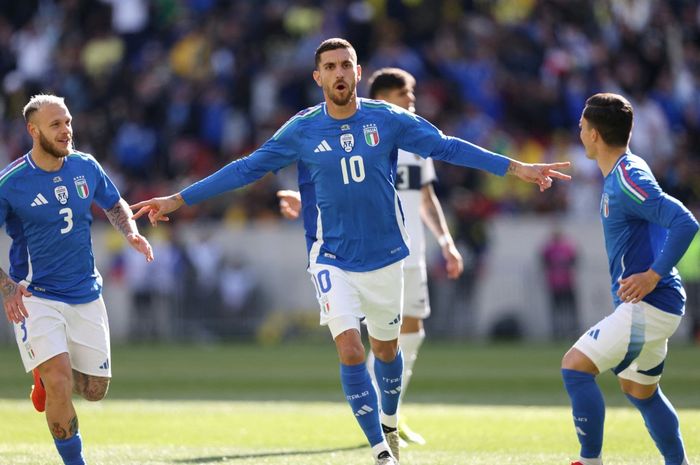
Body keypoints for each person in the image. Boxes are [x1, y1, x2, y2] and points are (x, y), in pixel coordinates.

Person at [131, 38, 570, 465]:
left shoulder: (388, 119)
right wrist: (178, 199)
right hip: (330, 258)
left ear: (358, 73)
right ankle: (380, 451)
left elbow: (447, 147)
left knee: (386, 353)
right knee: (350, 350)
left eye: (347, 65)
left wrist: (517, 168)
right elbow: (247, 168)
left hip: (384, 258)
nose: (340, 73)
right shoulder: (302, 128)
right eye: (331, 67)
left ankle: (391, 420)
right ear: (317, 76)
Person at [276, 67, 464, 447]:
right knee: (369, 341)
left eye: (411, 98)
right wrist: (305, 199)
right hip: (369, 252)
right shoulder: (371, 133)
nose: (410, 104)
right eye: (403, 98)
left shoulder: (417, 142)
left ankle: (391, 410)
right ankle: (380, 414)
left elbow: (426, 199)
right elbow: (342, 184)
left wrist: (445, 240)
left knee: (409, 334)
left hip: (410, 251)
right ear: (382, 99)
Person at [1, 94, 154, 465]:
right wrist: (7, 287)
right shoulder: (11, 182)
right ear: (33, 130)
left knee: (94, 390)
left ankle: (42, 377)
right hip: (35, 295)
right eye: (56, 124)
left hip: (85, 293)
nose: (66, 130)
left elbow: (114, 203)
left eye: (68, 122)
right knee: (59, 381)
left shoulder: (85, 166)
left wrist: (130, 232)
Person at [562, 93, 698, 465]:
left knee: (574, 367)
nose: (579, 133)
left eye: (581, 127)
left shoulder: (628, 177)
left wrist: (653, 276)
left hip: (650, 304)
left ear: (593, 135)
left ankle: (590, 462)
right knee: (639, 389)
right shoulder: (624, 171)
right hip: (657, 305)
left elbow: (686, 222)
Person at [540, 226, 579, 340]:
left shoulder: (567, 247)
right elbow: (543, 261)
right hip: (554, 284)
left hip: (567, 282)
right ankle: (557, 333)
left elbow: (575, 260)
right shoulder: (548, 249)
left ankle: (572, 331)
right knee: (556, 310)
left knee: (570, 309)